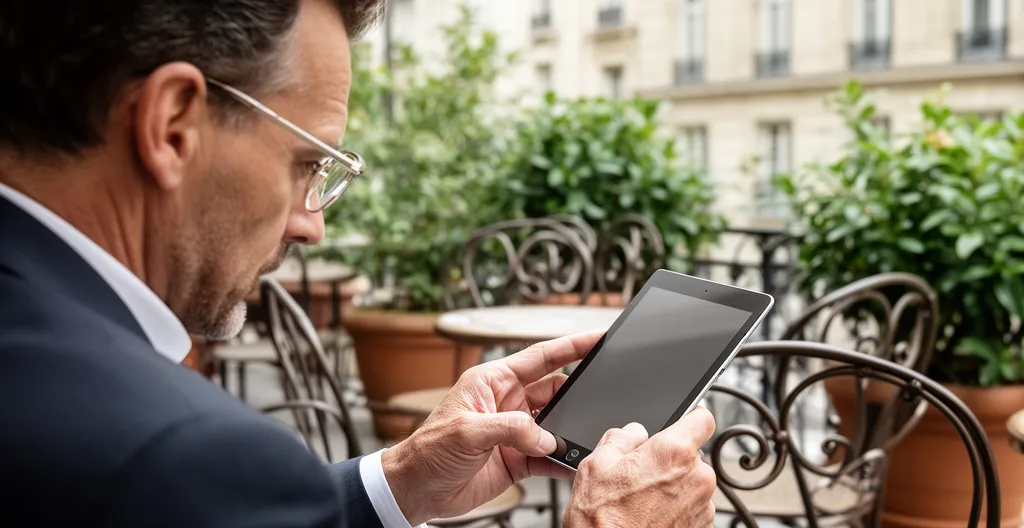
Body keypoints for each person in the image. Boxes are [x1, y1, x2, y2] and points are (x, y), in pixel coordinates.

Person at [0, 0, 718, 526]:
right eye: (308, 162)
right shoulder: (175, 452)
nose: (311, 224)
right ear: (172, 125)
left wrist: (399, 480)